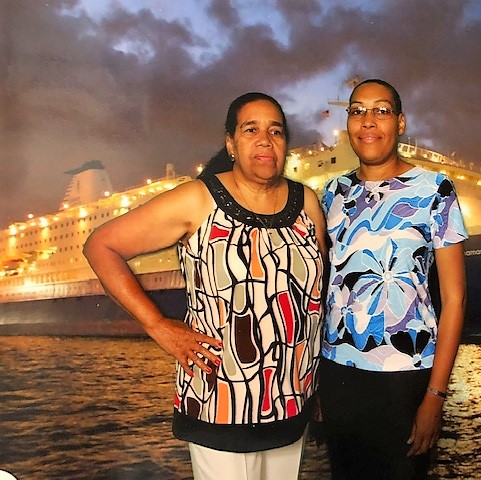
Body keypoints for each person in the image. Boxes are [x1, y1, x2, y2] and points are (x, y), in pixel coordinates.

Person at [83, 92, 327, 480]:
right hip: (221, 399)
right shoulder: (198, 198)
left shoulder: (306, 203)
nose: (265, 140)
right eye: (251, 129)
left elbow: (315, 298)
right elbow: (101, 245)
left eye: (275, 131)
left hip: (292, 400)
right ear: (231, 142)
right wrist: (157, 324)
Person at [319, 79, 468, 480]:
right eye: (357, 111)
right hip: (337, 374)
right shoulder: (331, 192)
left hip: (406, 375)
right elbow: (320, 287)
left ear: (400, 123)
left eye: (381, 110)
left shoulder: (435, 189)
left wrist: (435, 397)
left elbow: (455, 299)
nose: (368, 121)